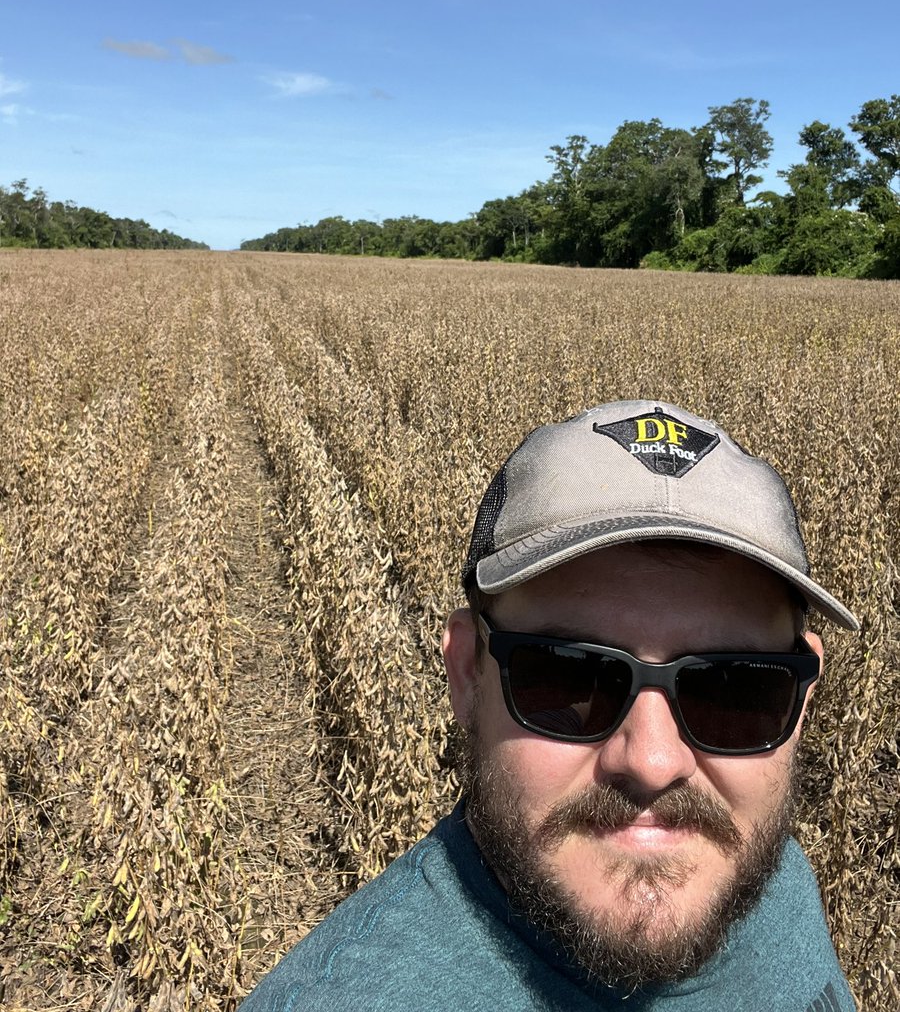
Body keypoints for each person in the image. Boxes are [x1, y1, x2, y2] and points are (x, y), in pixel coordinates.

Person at [240, 400, 858, 1011]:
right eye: (568, 679)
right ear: (466, 676)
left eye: (735, 692)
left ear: (800, 700)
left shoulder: (765, 873)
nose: (652, 761)